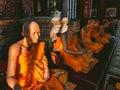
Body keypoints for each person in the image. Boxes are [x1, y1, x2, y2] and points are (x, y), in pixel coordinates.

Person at [6, 20, 67, 90]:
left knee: (64, 73)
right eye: (34, 33)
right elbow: (10, 76)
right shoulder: (15, 48)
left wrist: (47, 71)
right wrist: (19, 89)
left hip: (39, 76)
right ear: (24, 34)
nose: (37, 36)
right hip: (24, 82)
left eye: (39, 33)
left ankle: (51, 77)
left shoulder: (38, 45)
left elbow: (43, 59)